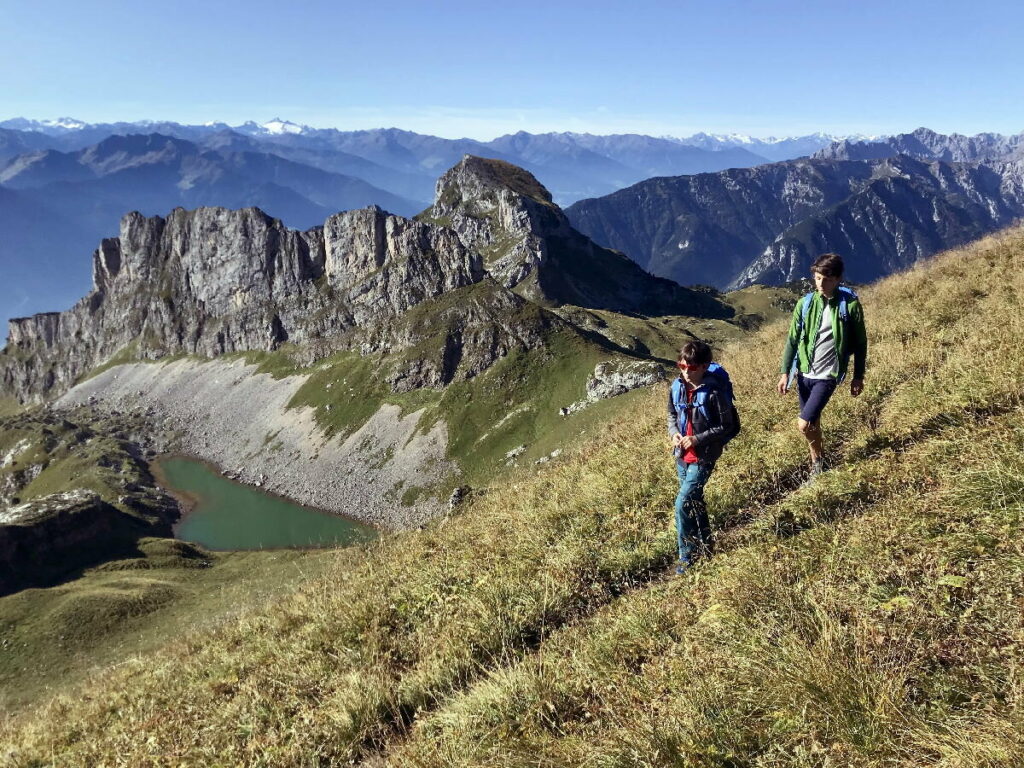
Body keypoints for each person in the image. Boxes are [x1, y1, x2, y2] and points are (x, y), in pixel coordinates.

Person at [776, 253, 867, 481]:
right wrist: (785, 372)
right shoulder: (805, 304)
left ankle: (818, 462)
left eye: (826, 279)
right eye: (817, 278)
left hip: (828, 375)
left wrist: (858, 376)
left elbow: (861, 344)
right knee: (813, 424)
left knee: (803, 424)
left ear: (837, 279)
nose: (820, 284)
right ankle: (818, 462)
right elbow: (792, 340)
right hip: (804, 373)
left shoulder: (850, 306)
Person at [667, 340, 735, 574]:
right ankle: (705, 545)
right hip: (682, 456)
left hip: (704, 456)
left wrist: (696, 439)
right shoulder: (676, 387)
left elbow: (725, 426)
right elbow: (671, 415)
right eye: (682, 366)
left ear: (704, 366)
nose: (686, 372)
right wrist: (675, 434)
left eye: (692, 368)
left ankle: (686, 557)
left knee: (682, 503)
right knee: (694, 501)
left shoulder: (714, 393)